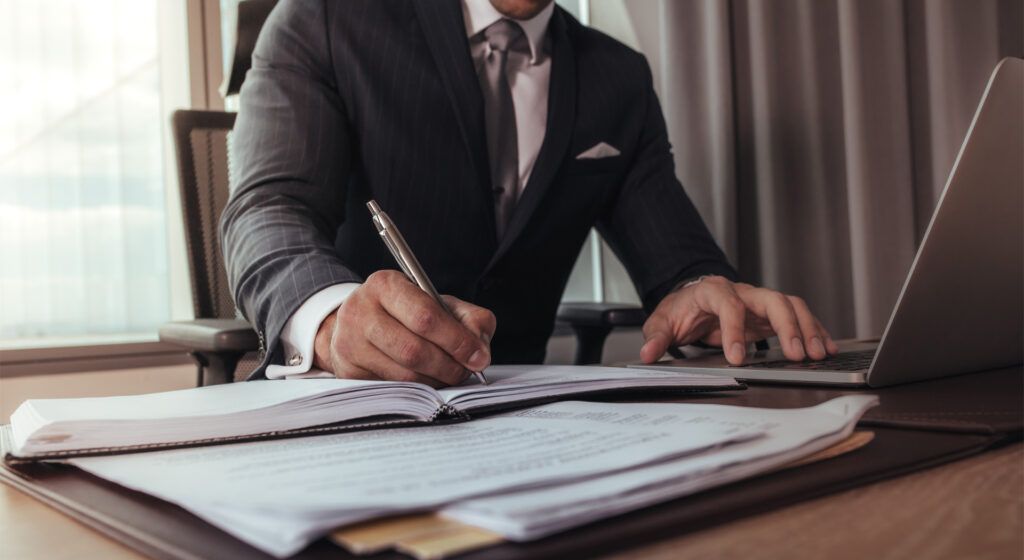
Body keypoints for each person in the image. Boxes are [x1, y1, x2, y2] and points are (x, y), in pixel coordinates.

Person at [221, 0, 839, 386]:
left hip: (523, 411)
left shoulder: (618, 76)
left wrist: (699, 290)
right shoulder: (323, 18)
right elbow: (267, 211)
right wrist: (331, 321)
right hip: (350, 403)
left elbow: (677, 260)